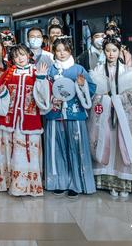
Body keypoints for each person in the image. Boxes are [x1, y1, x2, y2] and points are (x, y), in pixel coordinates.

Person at [88, 35, 132, 198]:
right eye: (108, 50)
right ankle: (108, 181)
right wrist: (105, 99)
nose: (111, 54)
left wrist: (120, 99)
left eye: (114, 50)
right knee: (107, 143)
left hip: (124, 118)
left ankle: (124, 181)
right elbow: (93, 96)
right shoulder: (97, 71)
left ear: (120, 51)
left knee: (123, 146)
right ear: (104, 51)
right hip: (105, 117)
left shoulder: (129, 72)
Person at [0, 44, 49, 197]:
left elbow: (45, 99)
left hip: (29, 121)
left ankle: (28, 186)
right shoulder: (9, 73)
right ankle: (7, 183)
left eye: (22, 54)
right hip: (9, 120)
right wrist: (1, 93)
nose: (20, 58)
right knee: (9, 151)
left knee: (27, 152)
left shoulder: (36, 72)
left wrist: (42, 80)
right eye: (16, 56)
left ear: (28, 55)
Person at [44, 36, 97, 198]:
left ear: (70, 51)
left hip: (75, 113)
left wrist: (82, 86)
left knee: (77, 148)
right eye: (58, 50)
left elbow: (92, 88)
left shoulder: (78, 69)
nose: (61, 53)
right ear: (54, 52)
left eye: (65, 50)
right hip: (55, 113)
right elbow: (43, 89)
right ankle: (59, 181)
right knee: (56, 148)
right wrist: (51, 97)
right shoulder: (50, 70)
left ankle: (77, 182)